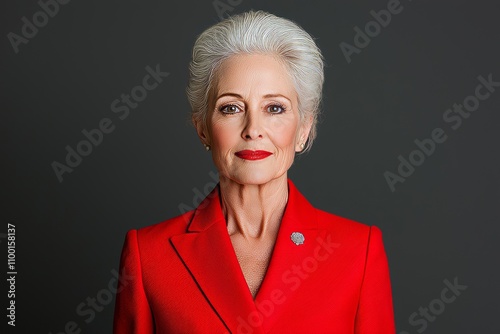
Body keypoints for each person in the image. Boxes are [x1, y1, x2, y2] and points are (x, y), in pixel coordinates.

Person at [113, 10, 395, 334]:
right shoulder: (149, 255)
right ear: (203, 128)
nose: (253, 129)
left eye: (274, 108)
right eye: (231, 108)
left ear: (303, 128)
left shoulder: (358, 252)